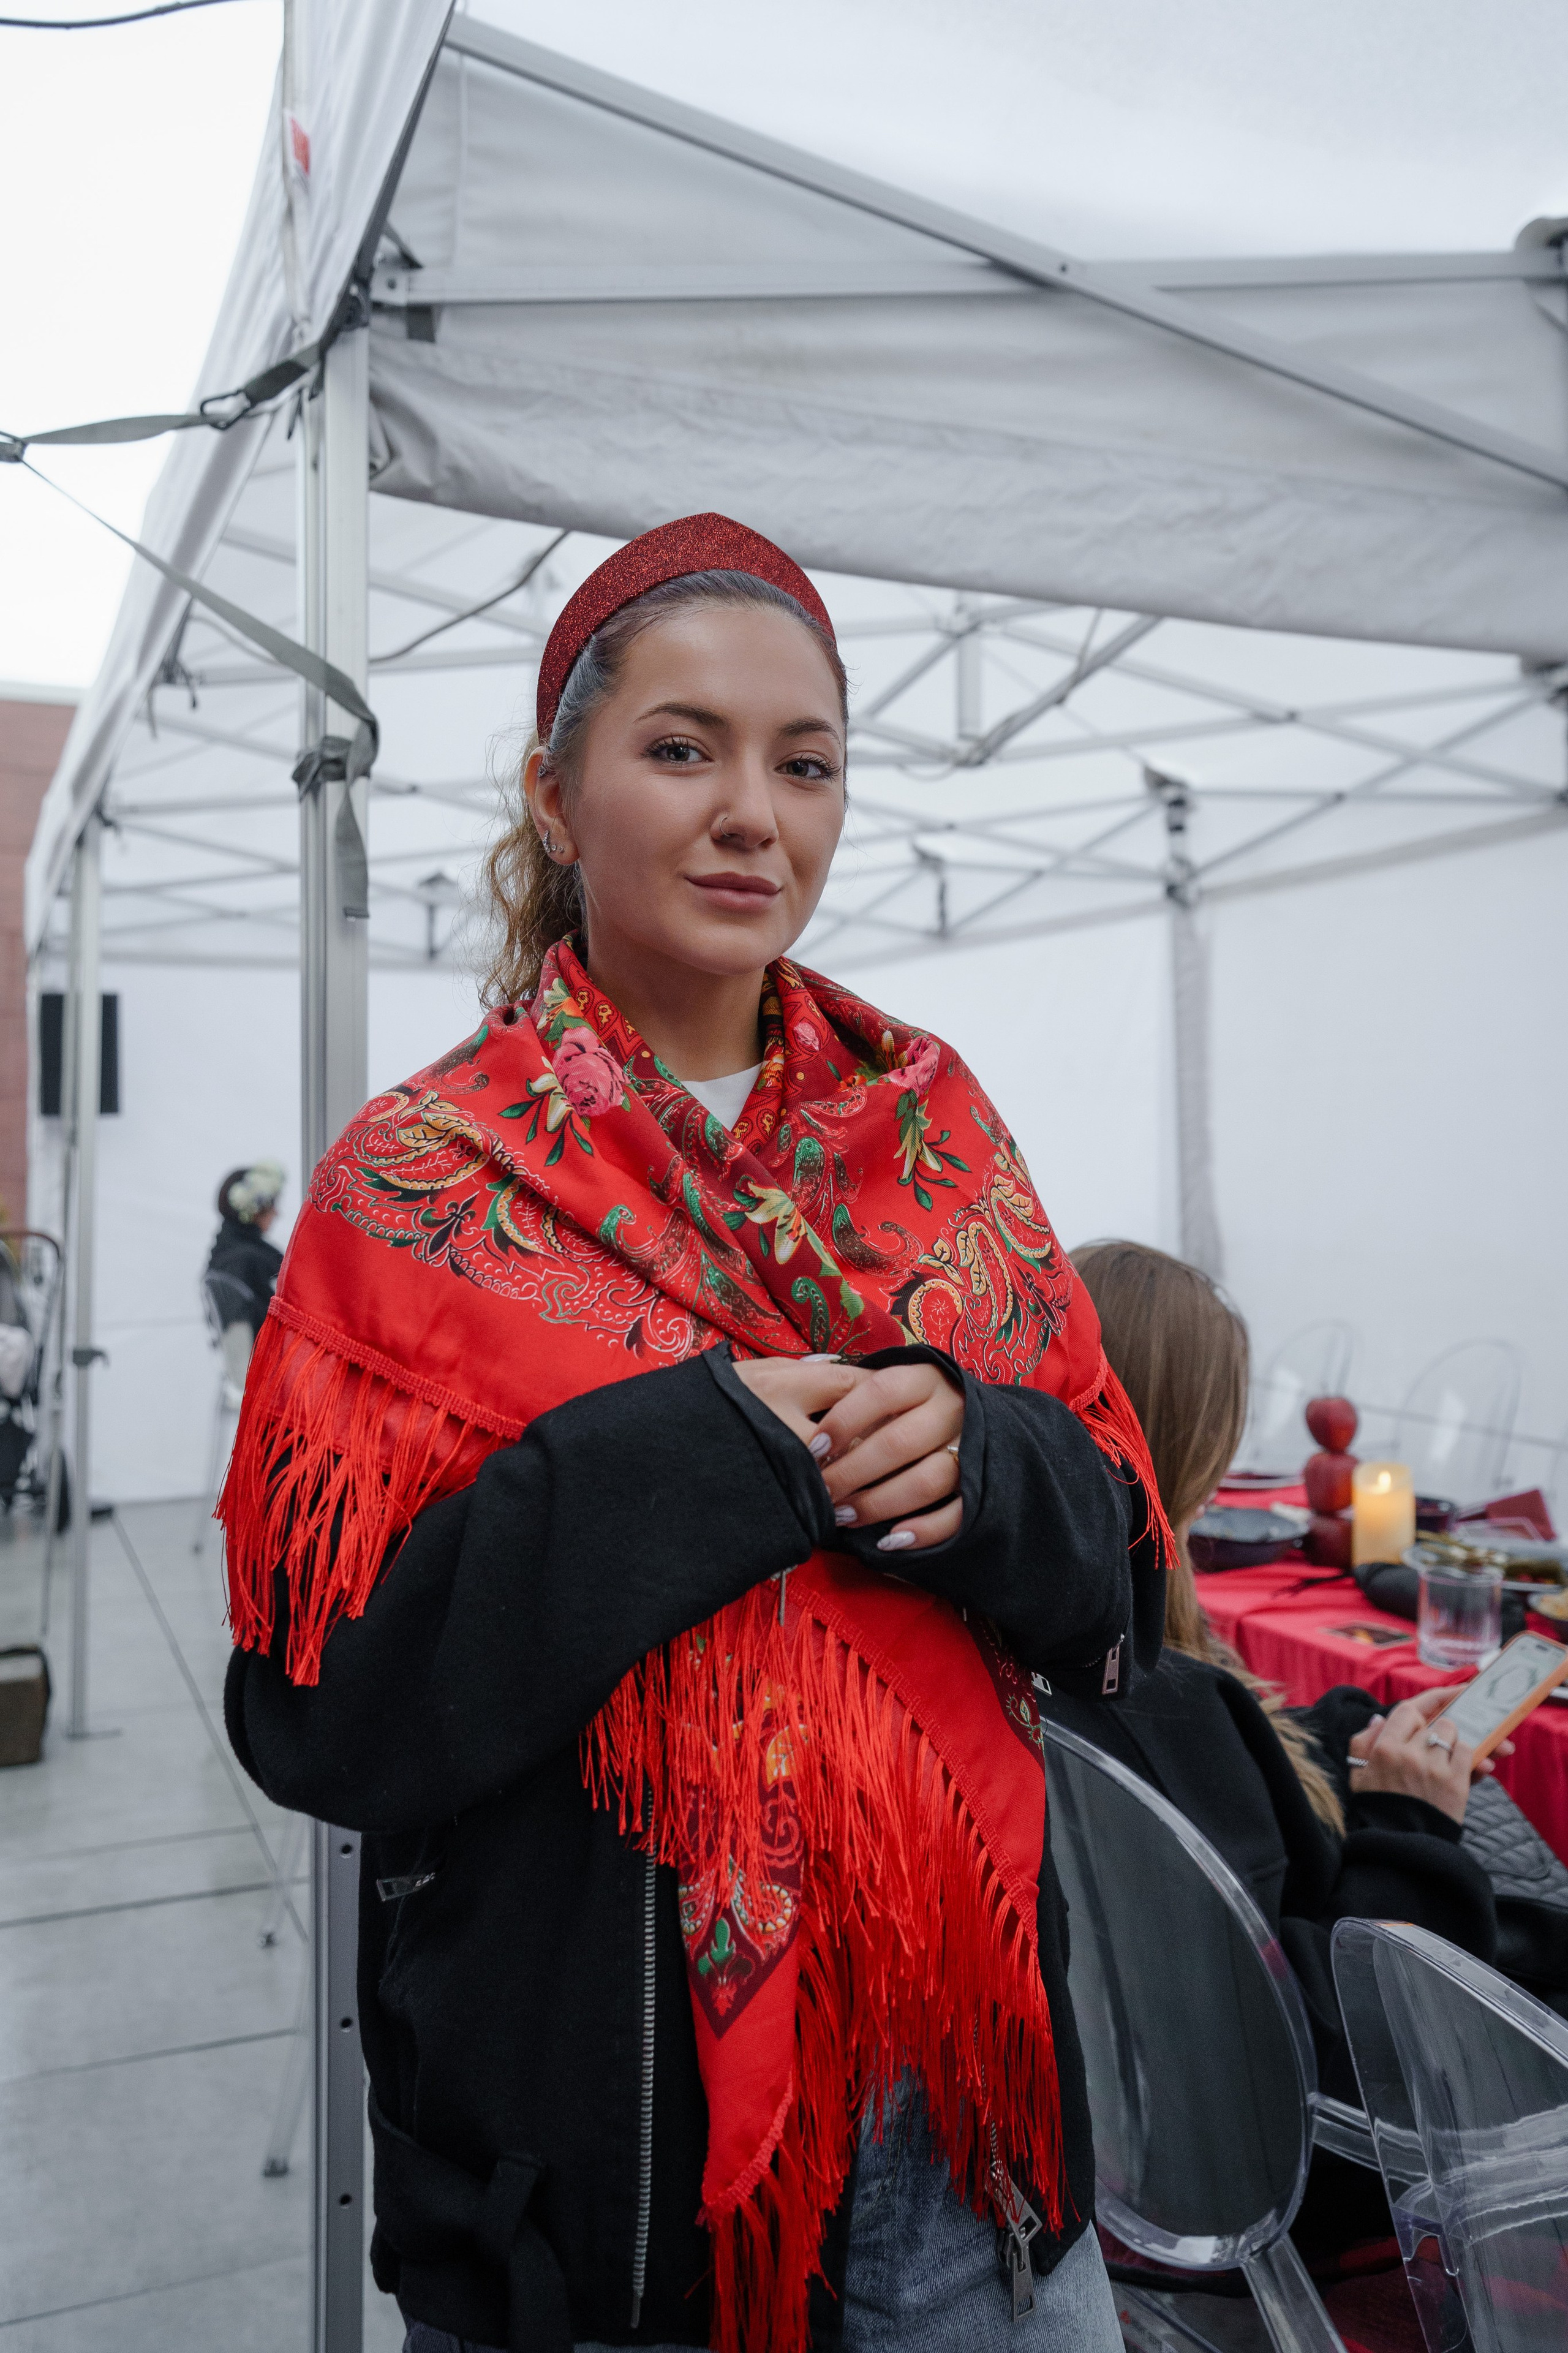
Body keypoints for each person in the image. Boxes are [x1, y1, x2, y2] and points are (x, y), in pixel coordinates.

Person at [221, 518, 1173, 2353]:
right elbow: (323, 1718)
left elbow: (1118, 1575)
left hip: (964, 2149)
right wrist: (685, 1460)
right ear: (553, 794)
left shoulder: (940, 1134)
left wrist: (983, 1461)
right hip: (602, 2216)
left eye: (804, 763)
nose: (753, 812)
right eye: (682, 747)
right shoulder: (414, 1184)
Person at [1039, 1241, 1567, 2117]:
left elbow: (1238, 1798)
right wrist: (1411, 1822)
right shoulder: (1162, 1701)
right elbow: (1322, 2031)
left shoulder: (1067, 1641)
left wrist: (1351, 1746)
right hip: (1341, 2139)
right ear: (1196, 1444)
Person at [205, 1162, 286, 1341]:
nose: (276, 1213)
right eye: (271, 1204)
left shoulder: (224, 1253)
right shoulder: (249, 1260)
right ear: (256, 1208)